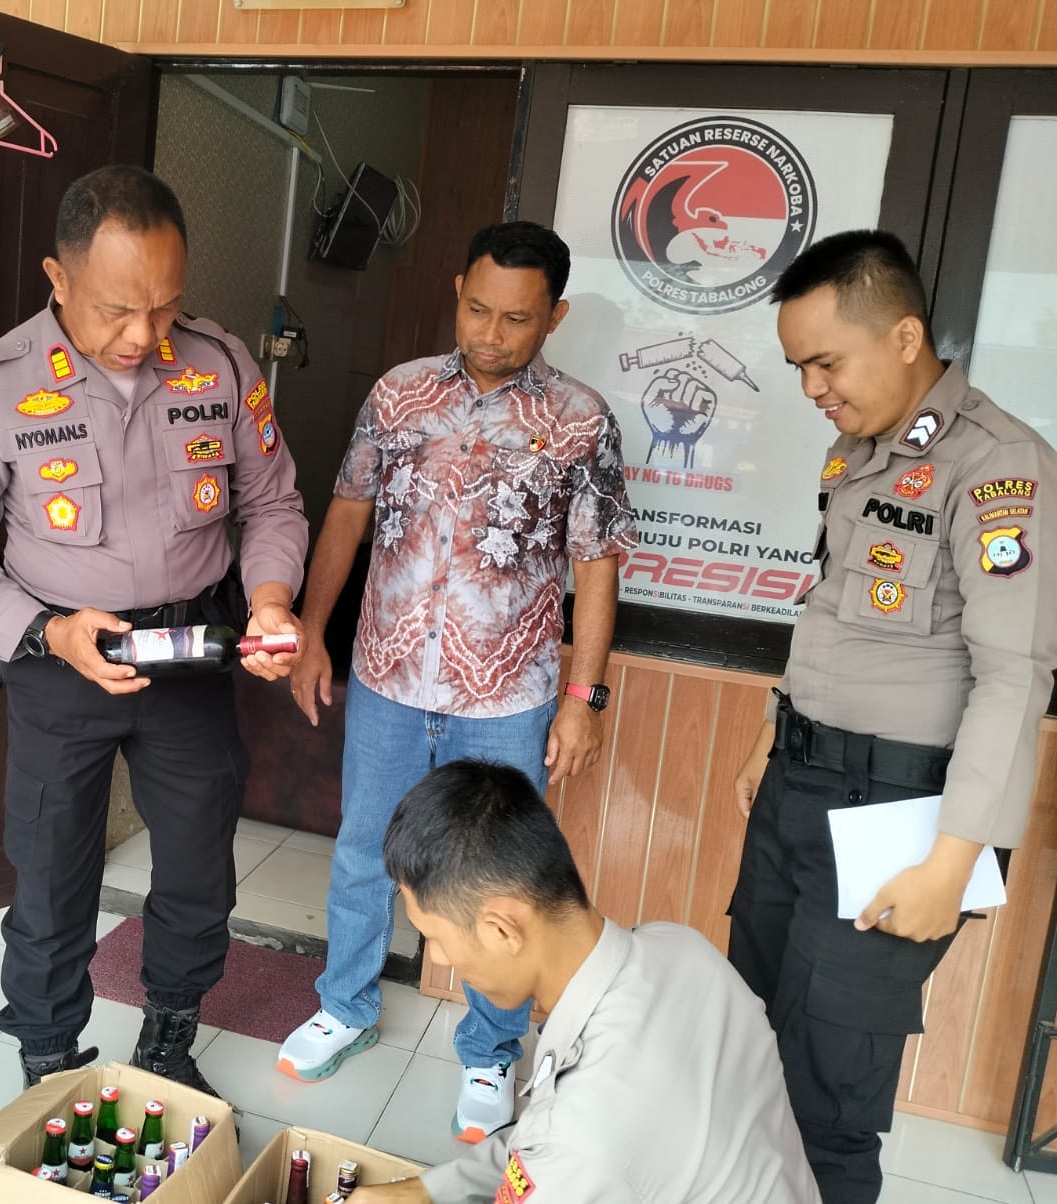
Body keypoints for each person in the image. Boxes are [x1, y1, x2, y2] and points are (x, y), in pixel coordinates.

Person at [0, 165, 309, 1096]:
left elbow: (272, 501)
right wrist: (44, 632)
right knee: (52, 873)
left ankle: (168, 1039)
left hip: (191, 651)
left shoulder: (220, 363)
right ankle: (49, 1059)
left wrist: (271, 599)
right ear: (59, 277)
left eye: (165, 306)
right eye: (118, 310)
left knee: (199, 867)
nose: (143, 335)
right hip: (59, 662)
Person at [276, 221, 638, 1142]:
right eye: (477, 309)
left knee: (503, 879)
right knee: (364, 848)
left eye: (516, 319)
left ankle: (490, 1050)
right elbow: (347, 513)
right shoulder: (398, 394)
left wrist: (583, 698)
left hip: (508, 697)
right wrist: (312, 632)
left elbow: (597, 564)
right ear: (456, 291)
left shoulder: (583, 421)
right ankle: (346, 1006)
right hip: (391, 677)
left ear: (554, 316)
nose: (490, 333)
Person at [729, 229, 1057, 1204]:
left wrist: (952, 865)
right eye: (799, 367)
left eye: (826, 363)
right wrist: (770, 732)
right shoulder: (860, 450)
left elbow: (1015, 679)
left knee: (827, 1095)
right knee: (750, 1045)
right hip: (796, 786)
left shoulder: (999, 466)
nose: (811, 387)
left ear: (905, 336)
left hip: (899, 817)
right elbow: (831, 610)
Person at [350, 760, 820, 1204]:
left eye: (435, 936)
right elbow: (542, 1146)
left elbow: (566, 1149)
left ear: (502, 930)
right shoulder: (681, 947)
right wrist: (423, 1190)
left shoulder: (582, 1141)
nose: (438, 956)